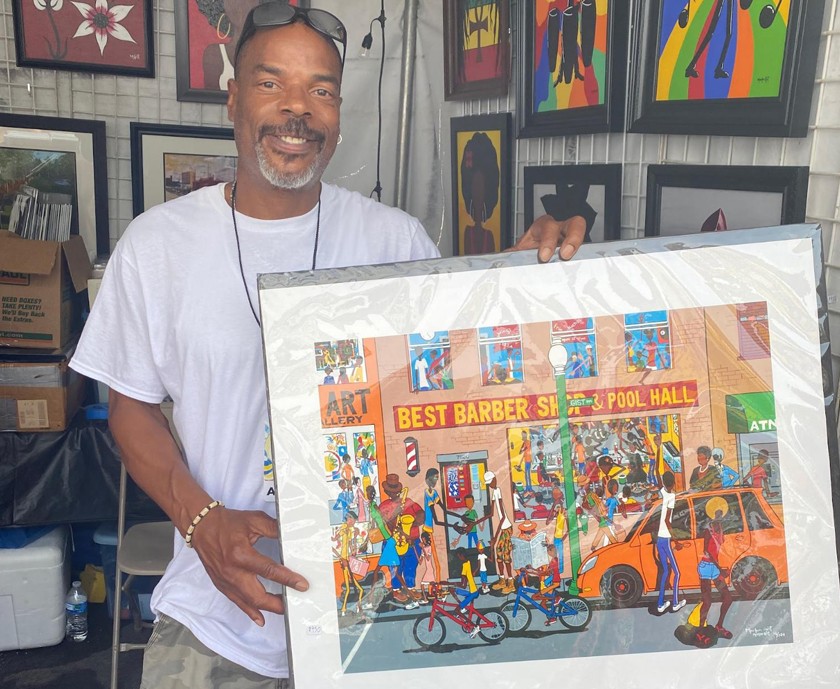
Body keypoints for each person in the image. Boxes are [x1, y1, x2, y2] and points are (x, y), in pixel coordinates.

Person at [69, 4, 586, 686]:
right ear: (232, 97)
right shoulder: (156, 246)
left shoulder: (393, 242)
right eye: (271, 82)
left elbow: (456, 386)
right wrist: (201, 522)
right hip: (220, 621)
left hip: (376, 625)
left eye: (321, 90)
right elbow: (129, 407)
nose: (298, 110)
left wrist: (523, 290)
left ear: (338, 116)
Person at [656, 471, 686, 614]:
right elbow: (668, 520)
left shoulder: (662, 492)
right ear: (673, 483)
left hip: (659, 539)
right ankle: (675, 603)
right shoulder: (671, 496)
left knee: (665, 572)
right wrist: (676, 540)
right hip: (666, 538)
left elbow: (657, 474)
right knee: (677, 573)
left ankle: (660, 603)